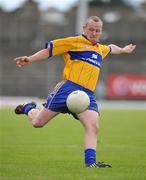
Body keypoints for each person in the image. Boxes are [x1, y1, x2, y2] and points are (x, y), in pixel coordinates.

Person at [14, 16, 136, 168]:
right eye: (91, 29)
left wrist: (123, 50)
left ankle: (91, 163)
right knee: (38, 123)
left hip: (86, 95)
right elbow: (48, 51)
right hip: (67, 89)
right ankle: (28, 107)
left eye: (98, 30)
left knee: (93, 127)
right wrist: (30, 59)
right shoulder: (74, 42)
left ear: (101, 32)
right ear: (84, 28)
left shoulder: (100, 49)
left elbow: (111, 47)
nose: (94, 33)